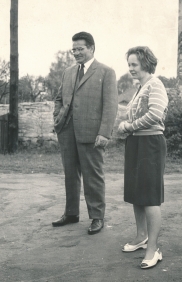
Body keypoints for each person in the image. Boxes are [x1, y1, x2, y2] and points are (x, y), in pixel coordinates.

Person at [52, 32, 118, 235]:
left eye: (80, 49)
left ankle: (97, 217)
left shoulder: (106, 72)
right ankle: (71, 213)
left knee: (93, 176)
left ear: (91, 48)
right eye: (74, 49)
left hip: (92, 133)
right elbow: (59, 97)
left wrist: (105, 133)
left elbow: (110, 105)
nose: (76, 53)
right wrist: (58, 117)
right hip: (67, 131)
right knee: (70, 174)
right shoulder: (69, 71)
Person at [118, 46, 168, 268]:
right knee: (137, 193)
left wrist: (129, 125)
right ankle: (141, 237)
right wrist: (126, 126)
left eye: (134, 64)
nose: (130, 69)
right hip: (136, 142)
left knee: (149, 196)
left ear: (146, 64)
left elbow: (155, 114)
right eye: (129, 64)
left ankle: (153, 249)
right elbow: (133, 114)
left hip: (150, 143)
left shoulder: (155, 85)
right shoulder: (140, 88)